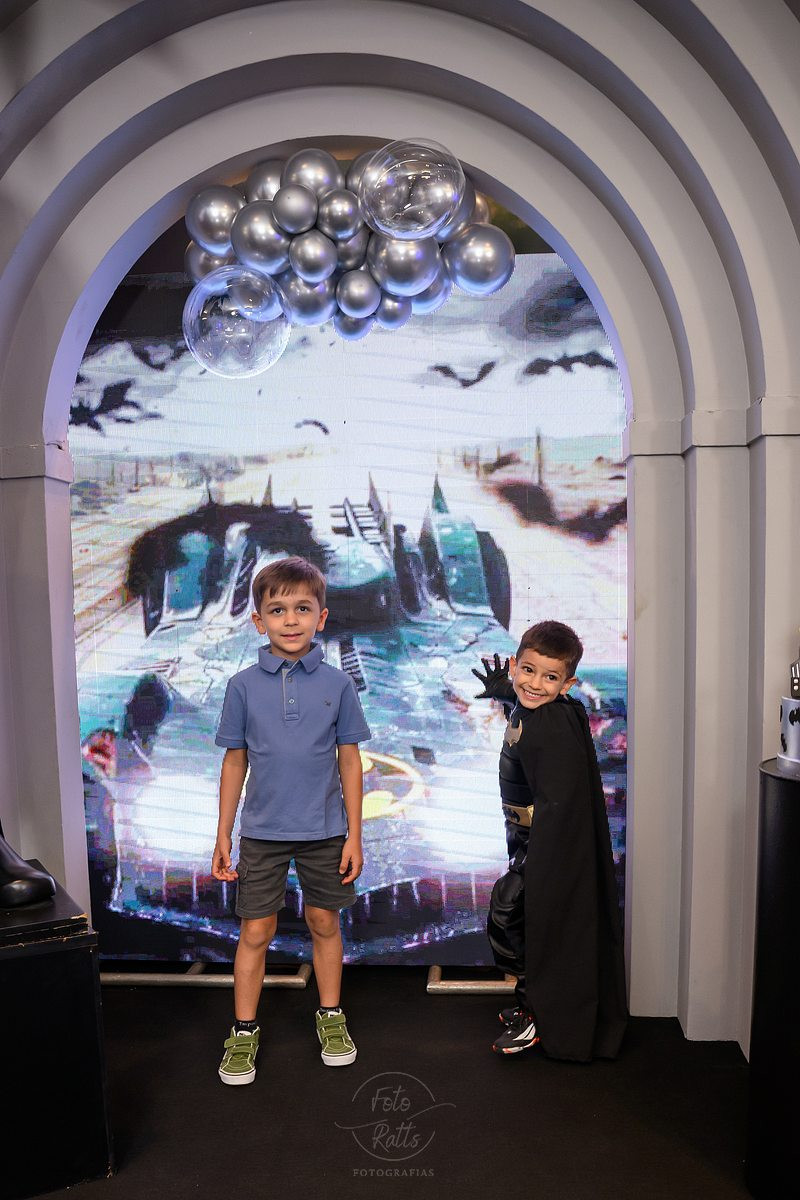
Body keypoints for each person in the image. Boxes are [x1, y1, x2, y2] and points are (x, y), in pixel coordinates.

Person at [211, 556, 371, 1085]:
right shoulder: (241, 686)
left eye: (303, 608)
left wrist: (354, 835)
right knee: (256, 930)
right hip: (262, 834)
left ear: (321, 617)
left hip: (325, 833)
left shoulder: (339, 684)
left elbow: (350, 761)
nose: (291, 620)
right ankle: (243, 1030)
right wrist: (223, 834)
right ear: (259, 621)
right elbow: (234, 762)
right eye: (277, 610)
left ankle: (331, 1016)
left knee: (325, 923)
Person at [473, 621, 627, 1061]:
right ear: (514, 665)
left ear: (568, 684)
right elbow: (526, 703)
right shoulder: (539, 708)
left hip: (544, 845)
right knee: (519, 919)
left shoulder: (553, 724)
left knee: (510, 915)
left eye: (550, 677)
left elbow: (560, 803)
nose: (535, 684)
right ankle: (532, 1004)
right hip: (525, 839)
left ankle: (537, 1011)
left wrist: (543, 859)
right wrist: (506, 692)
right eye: (528, 670)